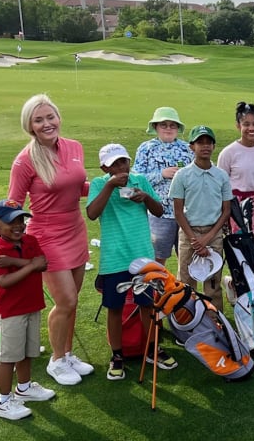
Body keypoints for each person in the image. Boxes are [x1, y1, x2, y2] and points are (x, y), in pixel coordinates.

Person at [8, 94, 94, 386]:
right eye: (39, 119)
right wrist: (5, 234)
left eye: (50, 117)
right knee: (66, 300)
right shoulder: (25, 161)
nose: (47, 123)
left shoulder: (74, 147)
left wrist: (102, 188)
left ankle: (67, 353)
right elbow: (14, 202)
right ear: (30, 126)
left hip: (75, 229)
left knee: (73, 300)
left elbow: (76, 185)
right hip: (46, 235)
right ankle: (57, 361)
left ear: (58, 117)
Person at [85, 144, 176, 380]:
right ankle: (117, 355)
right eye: (114, 164)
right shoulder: (98, 184)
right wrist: (109, 185)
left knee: (147, 305)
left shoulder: (140, 180)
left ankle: (152, 349)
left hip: (142, 255)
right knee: (114, 308)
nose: (121, 167)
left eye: (123, 161)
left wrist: (145, 197)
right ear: (104, 167)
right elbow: (92, 213)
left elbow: (158, 211)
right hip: (114, 258)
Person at [0, 200, 54, 420]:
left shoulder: (30, 240)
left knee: (26, 352)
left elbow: (42, 263)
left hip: (31, 305)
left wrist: (16, 262)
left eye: (21, 220)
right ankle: (3, 401)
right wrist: (30, 264)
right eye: (11, 222)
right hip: (11, 310)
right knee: (8, 357)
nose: (18, 225)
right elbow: (4, 282)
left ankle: (24, 388)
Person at [170, 126, 233, 311]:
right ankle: (187, 322)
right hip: (188, 232)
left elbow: (226, 210)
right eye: (200, 142)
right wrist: (194, 239)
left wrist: (207, 238)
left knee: (213, 283)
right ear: (192, 147)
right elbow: (178, 212)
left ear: (214, 146)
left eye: (208, 142)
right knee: (186, 282)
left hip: (213, 233)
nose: (205, 146)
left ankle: (214, 323)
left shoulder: (221, 175)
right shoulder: (182, 175)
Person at [133, 106, 194, 265]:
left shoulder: (187, 149)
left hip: (186, 213)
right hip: (159, 214)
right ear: (155, 127)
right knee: (157, 258)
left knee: (187, 258)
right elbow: (137, 180)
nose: (168, 129)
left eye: (172, 125)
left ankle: (184, 289)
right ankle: (156, 289)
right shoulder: (146, 149)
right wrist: (162, 174)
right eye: (163, 125)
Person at [217, 101, 254, 236]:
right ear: (238, 126)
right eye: (246, 124)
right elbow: (221, 186)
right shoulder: (228, 153)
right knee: (242, 249)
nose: (251, 128)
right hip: (237, 208)